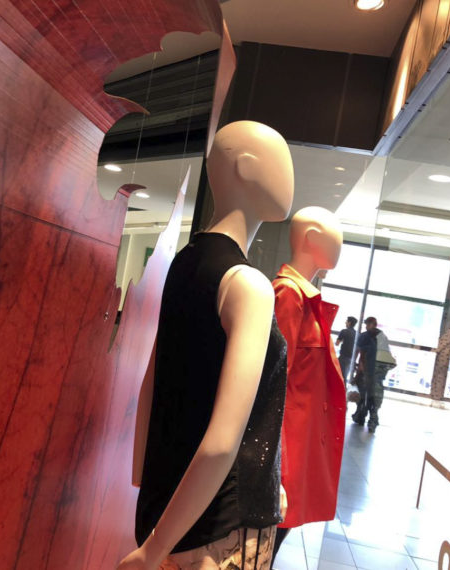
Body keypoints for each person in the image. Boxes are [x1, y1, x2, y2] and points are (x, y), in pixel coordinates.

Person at [117, 120, 295, 570]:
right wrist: (154, 549)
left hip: (170, 509)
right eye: (283, 161)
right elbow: (221, 443)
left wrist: (146, 484)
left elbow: (153, 382)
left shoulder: (185, 262)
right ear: (247, 167)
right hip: (221, 531)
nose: (291, 178)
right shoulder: (249, 285)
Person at [271, 207, 346, 562]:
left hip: (295, 451)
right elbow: (272, 385)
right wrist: (274, 470)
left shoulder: (306, 298)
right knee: (263, 547)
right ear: (311, 238)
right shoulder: (288, 294)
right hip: (283, 455)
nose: (340, 246)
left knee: (269, 547)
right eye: (336, 237)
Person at [351, 316, 395, 433]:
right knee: (374, 398)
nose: (366, 326)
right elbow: (386, 355)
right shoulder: (382, 336)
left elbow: (360, 353)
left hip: (368, 370)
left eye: (367, 324)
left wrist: (358, 368)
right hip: (378, 372)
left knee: (363, 396)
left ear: (372, 324)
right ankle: (372, 421)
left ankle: (361, 416)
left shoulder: (365, 336)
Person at [335, 316, 358, 384]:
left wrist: (343, 340)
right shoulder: (356, 334)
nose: (345, 322)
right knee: (344, 375)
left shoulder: (344, 331)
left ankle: (342, 389)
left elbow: (337, 343)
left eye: (346, 321)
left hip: (343, 357)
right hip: (351, 358)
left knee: (340, 375)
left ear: (349, 323)